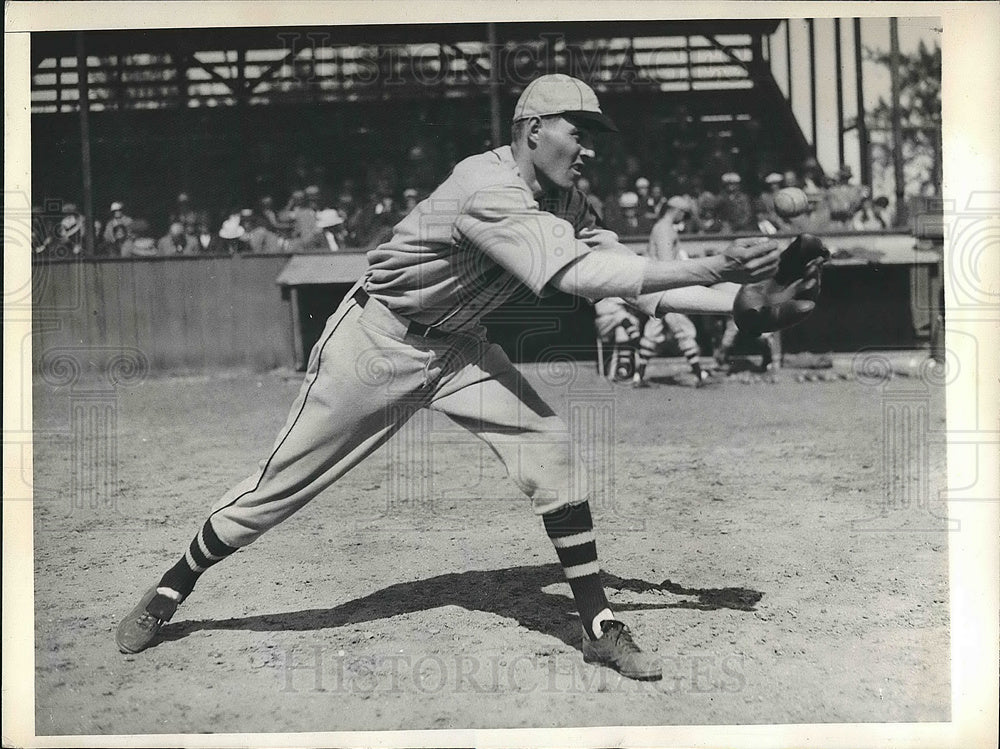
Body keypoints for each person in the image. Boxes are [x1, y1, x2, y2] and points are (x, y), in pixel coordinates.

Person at [116, 74, 810, 681]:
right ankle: (173, 586)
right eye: (580, 130)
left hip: (457, 349)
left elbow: (618, 270)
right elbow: (577, 274)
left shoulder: (568, 199)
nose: (591, 146)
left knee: (551, 447)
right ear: (533, 131)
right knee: (276, 488)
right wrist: (709, 269)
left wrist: (737, 305)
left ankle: (597, 624)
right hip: (377, 340)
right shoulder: (486, 185)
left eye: (596, 134)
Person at [633, 196, 710, 387]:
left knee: (653, 332)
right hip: (663, 288)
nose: (683, 218)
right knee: (683, 329)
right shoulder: (664, 229)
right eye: (683, 213)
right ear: (676, 210)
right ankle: (699, 375)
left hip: (656, 287)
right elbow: (667, 264)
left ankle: (638, 376)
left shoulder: (661, 227)